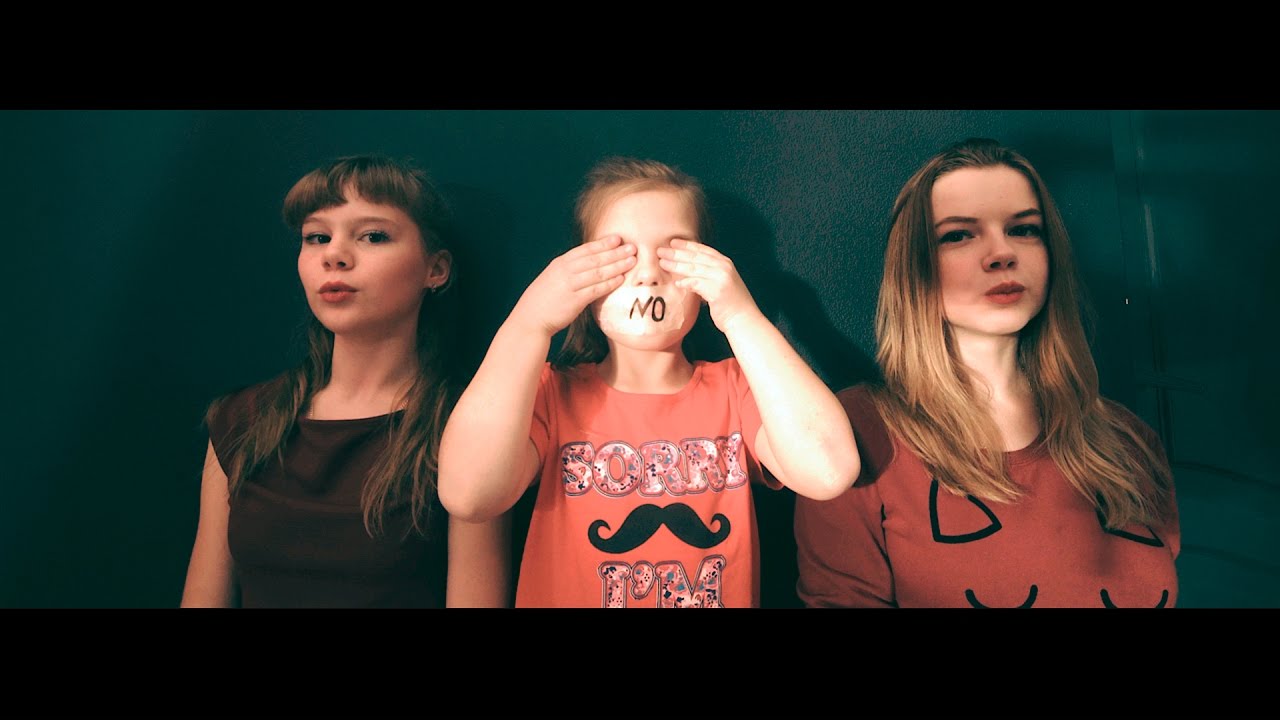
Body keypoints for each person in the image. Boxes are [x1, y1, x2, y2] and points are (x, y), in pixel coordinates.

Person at [438, 157, 859, 607]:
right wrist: (530, 322)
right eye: (620, 253)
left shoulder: (738, 390)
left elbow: (829, 472)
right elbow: (469, 495)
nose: (648, 274)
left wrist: (741, 316)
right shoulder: (549, 394)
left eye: (673, 252)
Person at [794, 138, 1179, 608]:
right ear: (914, 268)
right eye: (959, 235)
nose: (1001, 254)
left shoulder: (1129, 440)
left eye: (1024, 229)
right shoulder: (856, 434)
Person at [180, 155, 508, 608]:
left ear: (435, 270)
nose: (333, 255)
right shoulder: (242, 419)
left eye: (373, 236)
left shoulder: (466, 428)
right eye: (317, 237)